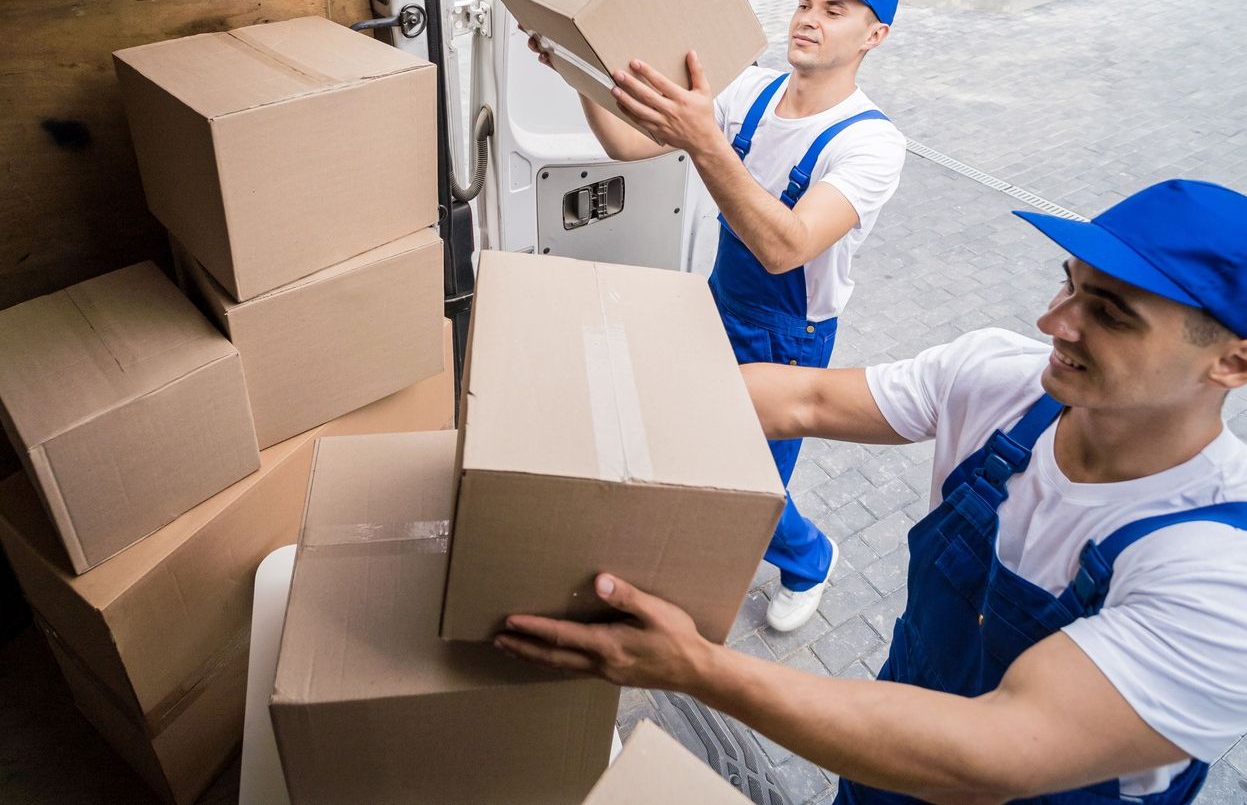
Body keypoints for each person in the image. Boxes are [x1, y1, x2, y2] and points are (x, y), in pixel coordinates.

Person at [494, 179, 1247, 804]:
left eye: (1110, 314)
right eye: (1068, 283)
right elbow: (806, 401)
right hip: (883, 754)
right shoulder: (999, 380)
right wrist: (586, 402)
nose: (1055, 322)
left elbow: (994, 753)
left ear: (1233, 363)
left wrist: (691, 667)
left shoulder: (1218, 571)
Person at [528, 0, 907, 632]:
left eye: (833, 9)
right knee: (691, 448)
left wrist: (707, 144)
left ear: (873, 36)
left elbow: (785, 243)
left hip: (787, 338)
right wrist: (574, 72)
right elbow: (626, 144)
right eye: (802, 3)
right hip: (718, 303)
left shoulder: (870, 143)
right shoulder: (747, 91)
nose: (808, 19)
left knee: (748, 487)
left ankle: (811, 557)